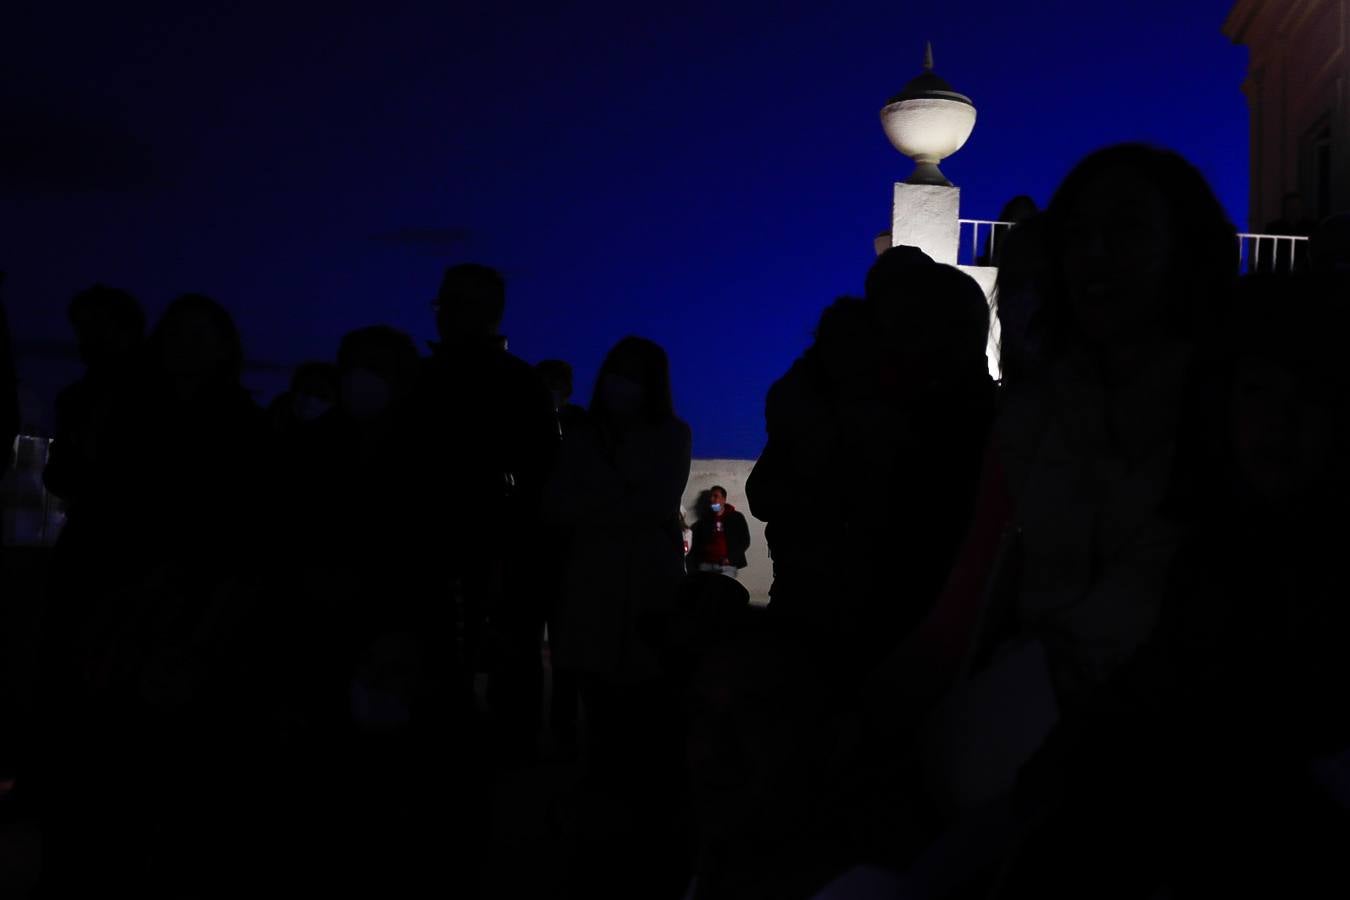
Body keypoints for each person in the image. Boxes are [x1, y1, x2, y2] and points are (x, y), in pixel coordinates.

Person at [542, 335, 691, 896]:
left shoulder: (671, 435)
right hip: (590, 593)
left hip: (645, 595)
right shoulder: (581, 437)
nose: (619, 384)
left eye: (633, 374)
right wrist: (618, 498)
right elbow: (557, 506)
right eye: (615, 372)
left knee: (645, 721)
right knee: (599, 719)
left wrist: (599, 499)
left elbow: (651, 503)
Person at [399, 262, 558, 763]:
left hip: (497, 558)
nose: (444, 313)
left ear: (488, 312)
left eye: (457, 302)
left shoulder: (516, 384)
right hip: (430, 556)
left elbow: (541, 478)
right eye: (442, 302)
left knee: (503, 682)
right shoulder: (422, 379)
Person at [689, 485, 750, 578]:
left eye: (715, 496)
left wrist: (731, 559)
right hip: (706, 565)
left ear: (724, 499)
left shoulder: (736, 517)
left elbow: (744, 541)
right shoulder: (705, 520)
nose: (712, 499)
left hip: (726, 566)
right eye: (711, 497)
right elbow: (697, 542)